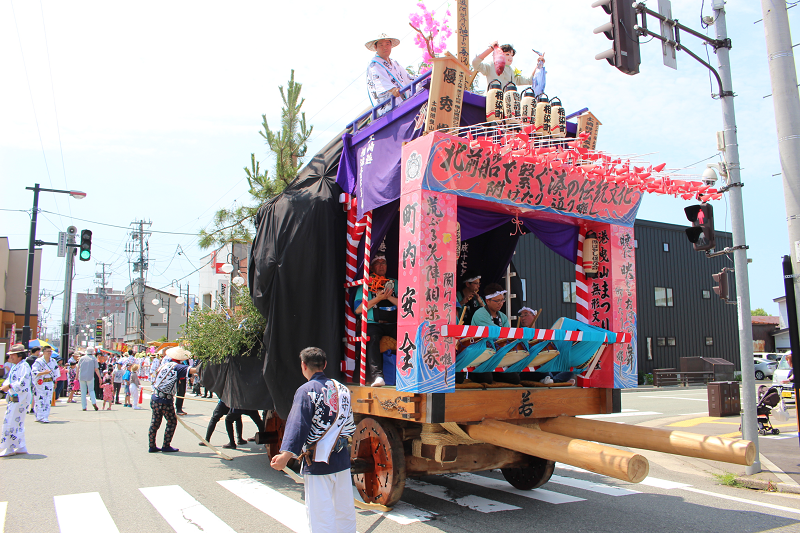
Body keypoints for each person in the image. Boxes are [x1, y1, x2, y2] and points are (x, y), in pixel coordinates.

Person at [270, 347, 357, 533]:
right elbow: (349, 426)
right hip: (341, 459)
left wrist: (285, 455)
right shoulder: (343, 389)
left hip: (317, 460)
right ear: (324, 365)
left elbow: (298, 424)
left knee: (320, 514)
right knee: (345, 511)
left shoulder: (306, 390)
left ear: (303, 365)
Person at [354, 254, 398, 387]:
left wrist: (388, 296)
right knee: (372, 338)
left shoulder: (395, 283)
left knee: (407, 337)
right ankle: (377, 376)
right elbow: (358, 309)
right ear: (372, 267)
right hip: (374, 323)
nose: (381, 265)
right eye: (377, 263)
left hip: (393, 323)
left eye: (383, 262)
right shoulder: (366, 283)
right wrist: (378, 298)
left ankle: (407, 373)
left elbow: (406, 305)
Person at [147, 346, 200, 453]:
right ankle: (166, 445)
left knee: (155, 423)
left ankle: (152, 445)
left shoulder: (165, 365)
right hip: (165, 400)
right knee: (171, 422)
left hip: (155, 397)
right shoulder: (178, 367)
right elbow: (195, 370)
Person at [366, 33, 415, 117]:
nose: (385, 47)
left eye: (387, 44)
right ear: (375, 47)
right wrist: (392, 89)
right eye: (381, 45)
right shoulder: (374, 65)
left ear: (391, 45)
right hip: (389, 106)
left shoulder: (394, 63)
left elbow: (407, 78)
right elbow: (380, 82)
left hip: (402, 100)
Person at [472, 42, 546, 95]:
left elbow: (530, 80)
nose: (510, 57)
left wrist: (539, 64)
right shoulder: (491, 65)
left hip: (508, 108)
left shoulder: (512, 72)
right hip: (490, 104)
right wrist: (491, 48)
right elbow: (475, 63)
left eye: (511, 55)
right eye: (507, 54)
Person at [0, 344, 32, 457]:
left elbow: (23, 382)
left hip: (20, 398)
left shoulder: (24, 366)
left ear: (19, 355)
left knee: (11, 422)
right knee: (17, 422)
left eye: (12, 355)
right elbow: (9, 380)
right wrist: (5, 386)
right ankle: (21, 446)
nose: (10, 357)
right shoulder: (16, 366)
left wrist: (9, 386)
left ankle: (9, 447)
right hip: (15, 397)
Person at [30, 346, 60, 423]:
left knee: (47, 400)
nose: (49, 353)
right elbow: (34, 372)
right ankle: (38, 416)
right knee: (39, 399)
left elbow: (56, 372)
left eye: (50, 351)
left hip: (49, 382)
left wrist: (55, 382)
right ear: (43, 352)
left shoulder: (53, 361)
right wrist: (43, 373)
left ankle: (45, 416)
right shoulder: (39, 361)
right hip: (40, 382)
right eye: (47, 351)